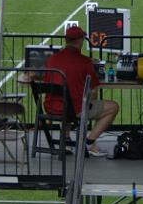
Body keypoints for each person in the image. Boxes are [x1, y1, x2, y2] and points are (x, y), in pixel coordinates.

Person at [43, 26, 118, 157]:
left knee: (69, 100)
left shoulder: (51, 59)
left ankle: (66, 139)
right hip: (73, 110)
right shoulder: (85, 62)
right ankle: (89, 142)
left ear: (66, 40)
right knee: (113, 106)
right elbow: (93, 91)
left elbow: (45, 79)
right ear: (80, 40)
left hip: (51, 107)